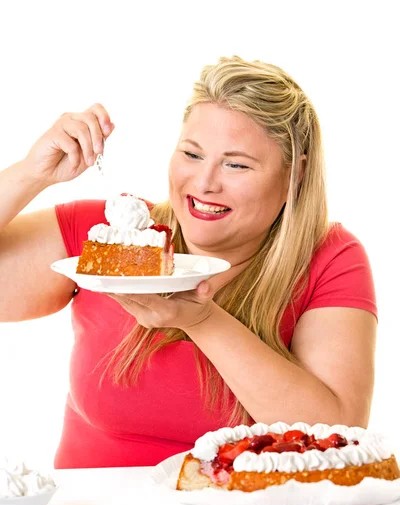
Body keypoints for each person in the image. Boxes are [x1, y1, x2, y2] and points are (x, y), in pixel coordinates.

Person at [0, 56, 377, 469]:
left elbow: (337, 432)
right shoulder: (102, 233)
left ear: (296, 175)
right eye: (192, 155)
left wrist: (202, 320)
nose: (204, 184)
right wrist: (30, 173)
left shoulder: (330, 259)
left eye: (235, 164)